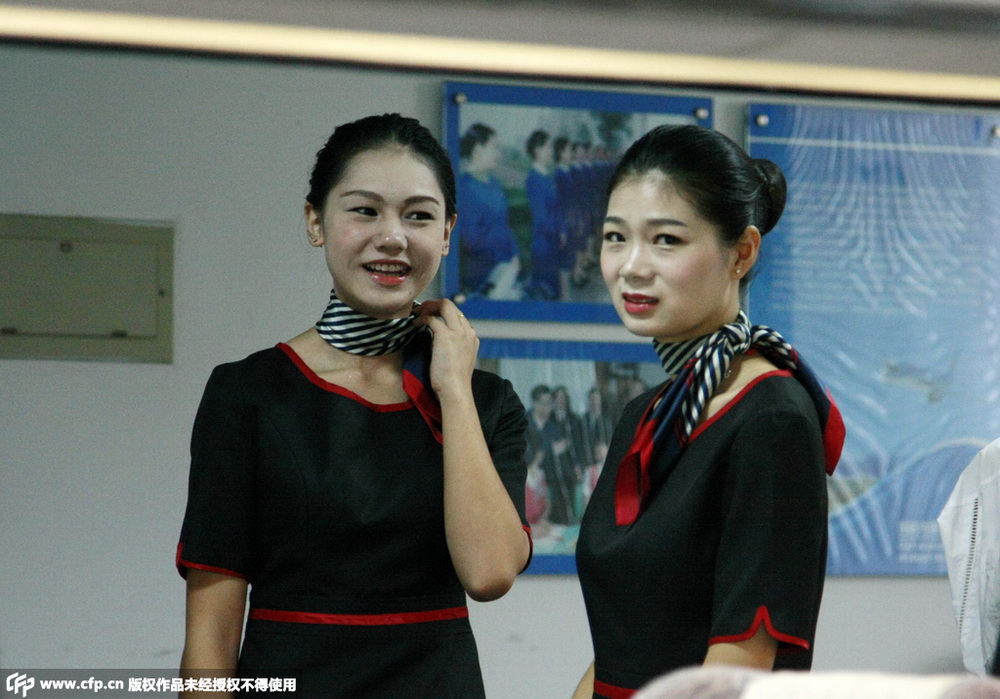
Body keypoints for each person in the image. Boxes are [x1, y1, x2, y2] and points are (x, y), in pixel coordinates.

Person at [176, 113, 532, 698]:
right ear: (316, 221)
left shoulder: (486, 400)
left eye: (419, 215)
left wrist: (454, 390)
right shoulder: (249, 392)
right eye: (364, 210)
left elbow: (490, 573)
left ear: (446, 234)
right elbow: (209, 640)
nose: (393, 236)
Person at [572, 124, 845, 699]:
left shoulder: (773, 419)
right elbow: (620, 650)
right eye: (616, 237)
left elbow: (736, 667)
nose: (631, 266)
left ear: (742, 252)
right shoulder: (649, 414)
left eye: (666, 240)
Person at [456, 122, 521, 298]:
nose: (498, 154)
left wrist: (514, 254)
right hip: (483, 277)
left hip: (506, 270)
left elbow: (505, 223)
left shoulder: (494, 184)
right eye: (494, 147)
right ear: (478, 148)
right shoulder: (464, 188)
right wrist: (503, 260)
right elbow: (471, 240)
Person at [524, 129, 566, 300]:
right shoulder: (533, 179)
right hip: (543, 244)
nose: (551, 151)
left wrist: (563, 229)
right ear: (537, 150)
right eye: (548, 147)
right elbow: (540, 217)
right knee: (545, 292)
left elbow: (558, 207)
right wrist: (558, 231)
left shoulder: (548, 177)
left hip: (553, 241)